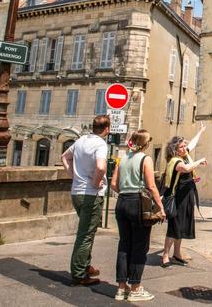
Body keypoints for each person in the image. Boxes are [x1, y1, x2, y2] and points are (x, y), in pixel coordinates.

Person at [110, 130, 165, 302]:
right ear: (145, 143)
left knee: (124, 244)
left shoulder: (123, 158)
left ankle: (121, 288)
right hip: (137, 203)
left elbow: (113, 183)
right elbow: (151, 186)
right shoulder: (145, 159)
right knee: (140, 245)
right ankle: (135, 287)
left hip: (122, 202)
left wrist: (124, 192)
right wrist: (160, 207)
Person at [61, 114, 109, 286]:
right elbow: (101, 167)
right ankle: (79, 274)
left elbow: (64, 157)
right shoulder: (101, 144)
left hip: (76, 192)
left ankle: (85, 265)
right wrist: (96, 183)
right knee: (86, 235)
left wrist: (73, 175)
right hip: (90, 195)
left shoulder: (81, 140)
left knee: (86, 232)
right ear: (107, 129)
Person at [161, 123, 207, 267]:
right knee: (174, 226)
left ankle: (177, 253)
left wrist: (200, 131)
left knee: (181, 225)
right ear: (175, 150)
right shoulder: (176, 161)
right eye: (181, 147)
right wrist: (199, 161)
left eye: (183, 146)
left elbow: (192, 144)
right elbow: (186, 168)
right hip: (177, 197)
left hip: (186, 195)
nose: (184, 149)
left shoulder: (184, 154)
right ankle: (165, 256)